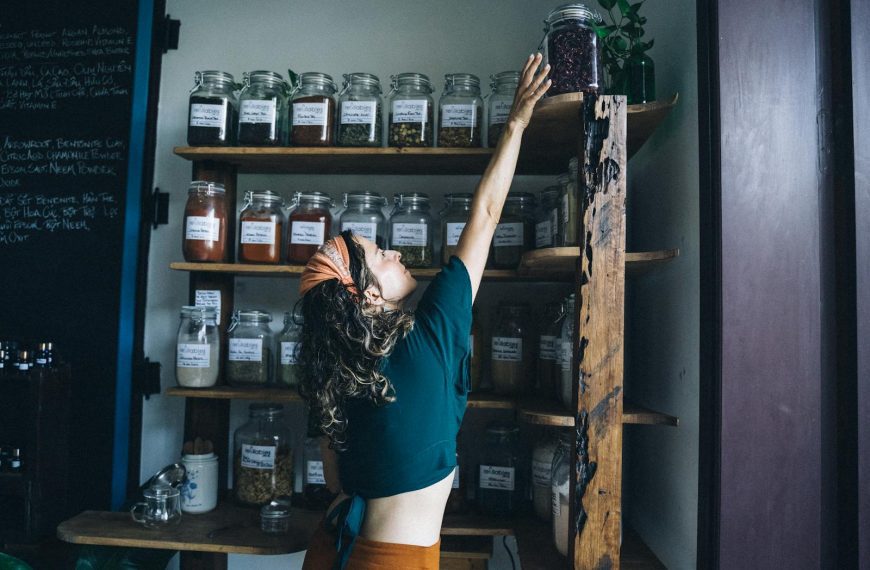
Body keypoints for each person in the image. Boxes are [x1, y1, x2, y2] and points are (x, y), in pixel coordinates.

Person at [298, 54, 551, 570]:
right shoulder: (430, 338)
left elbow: (335, 482)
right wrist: (518, 123)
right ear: (368, 296)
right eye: (379, 255)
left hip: (334, 548)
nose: (394, 253)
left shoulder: (334, 373)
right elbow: (485, 215)